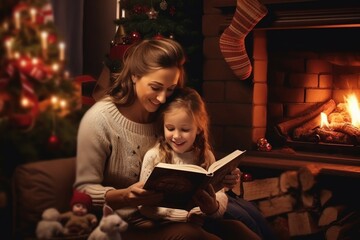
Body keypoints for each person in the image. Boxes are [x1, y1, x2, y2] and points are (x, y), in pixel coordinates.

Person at [73, 38, 245, 240]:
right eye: (155, 87)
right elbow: (83, 191)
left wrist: (222, 179)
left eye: (170, 89)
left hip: (174, 218)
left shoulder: (165, 114)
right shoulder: (99, 119)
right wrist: (124, 196)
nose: (163, 98)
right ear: (135, 76)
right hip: (121, 224)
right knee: (191, 236)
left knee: (239, 229)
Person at [139, 87, 261, 240]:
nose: (176, 136)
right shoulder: (154, 156)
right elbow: (143, 205)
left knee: (240, 229)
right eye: (170, 128)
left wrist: (213, 208)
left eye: (185, 129)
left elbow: (220, 195)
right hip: (166, 223)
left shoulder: (204, 155)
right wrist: (184, 216)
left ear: (198, 129)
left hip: (203, 218)